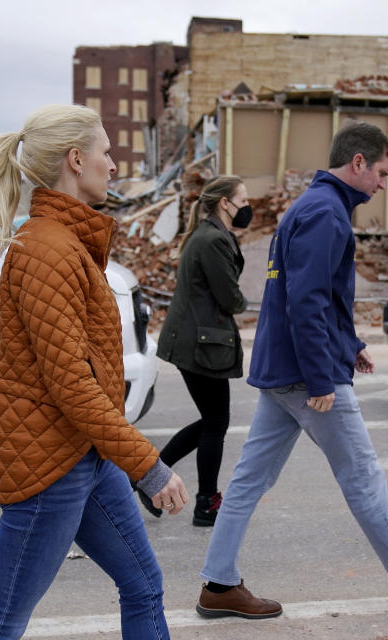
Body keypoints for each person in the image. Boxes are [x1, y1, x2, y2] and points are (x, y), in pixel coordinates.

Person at [194, 122, 388, 621]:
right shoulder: (327, 214)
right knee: (363, 479)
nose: (383, 183)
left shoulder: (313, 205)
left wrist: (348, 346)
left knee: (246, 482)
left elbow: (320, 298)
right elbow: (306, 302)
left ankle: (218, 585)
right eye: (383, 172)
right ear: (359, 163)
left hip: (285, 371)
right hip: (307, 377)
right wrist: (324, 377)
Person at [0, 104, 189, 640]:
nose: (113, 165)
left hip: (85, 455)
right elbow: (72, 385)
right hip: (50, 466)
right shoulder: (46, 250)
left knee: (144, 585)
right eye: (106, 152)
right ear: (76, 159)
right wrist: (148, 464)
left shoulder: (67, 243)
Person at [145, 175, 250, 526]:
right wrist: (244, 298)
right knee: (216, 421)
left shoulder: (210, 236)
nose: (247, 207)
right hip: (200, 344)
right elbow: (230, 297)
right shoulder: (212, 240)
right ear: (225, 203)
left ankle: (150, 478)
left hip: (195, 341)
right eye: (243, 200)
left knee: (212, 420)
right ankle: (205, 503)